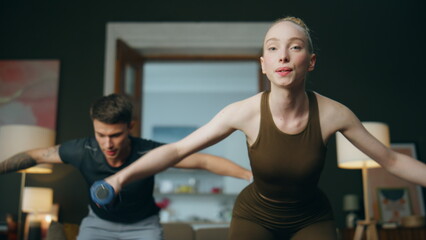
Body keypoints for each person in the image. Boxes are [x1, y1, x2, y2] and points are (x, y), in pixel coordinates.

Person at [96, 16, 426, 240]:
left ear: (309, 61)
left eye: (295, 46)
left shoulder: (333, 114)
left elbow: (392, 161)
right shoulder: (244, 112)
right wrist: (120, 176)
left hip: (312, 218)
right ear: (264, 65)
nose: (283, 55)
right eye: (272, 48)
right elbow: (178, 149)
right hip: (255, 215)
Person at [0, 93, 252, 240]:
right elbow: (35, 156)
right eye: (101, 134)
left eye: (116, 135)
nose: (108, 143)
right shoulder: (82, 150)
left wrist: (248, 175)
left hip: (143, 226)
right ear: (94, 127)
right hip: (97, 224)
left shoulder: (149, 151)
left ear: (130, 127)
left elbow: (204, 161)